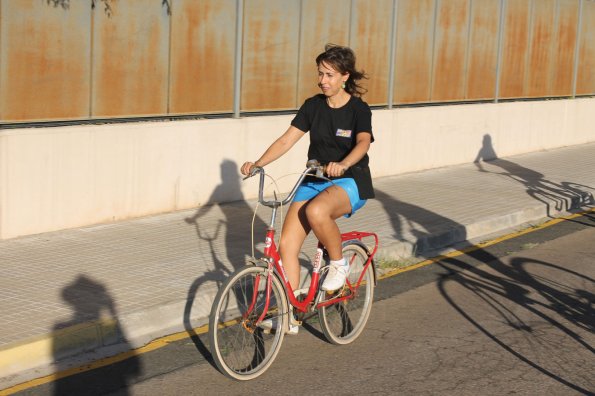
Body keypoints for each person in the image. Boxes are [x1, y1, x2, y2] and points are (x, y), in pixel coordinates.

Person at [241, 44, 375, 332]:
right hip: (314, 179)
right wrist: (258, 163)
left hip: (350, 180)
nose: (322, 80)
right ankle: (288, 316)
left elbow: (363, 142)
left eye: (329, 75)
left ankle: (338, 264)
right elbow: (287, 139)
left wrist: (343, 163)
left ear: (344, 76)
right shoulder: (313, 105)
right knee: (287, 245)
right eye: (320, 74)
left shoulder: (358, 110)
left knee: (317, 212)